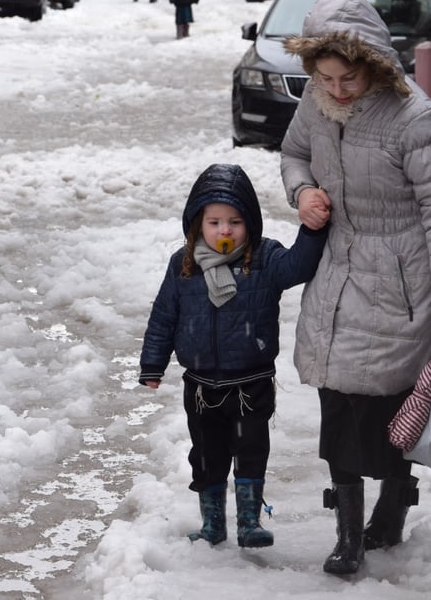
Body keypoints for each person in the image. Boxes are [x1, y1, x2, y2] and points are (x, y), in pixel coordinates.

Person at [278, 0, 431, 576]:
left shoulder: (413, 116)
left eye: (349, 78)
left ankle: (390, 507)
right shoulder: (316, 102)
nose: (337, 90)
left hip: (397, 280)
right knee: (335, 399)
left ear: (375, 65)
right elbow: (293, 155)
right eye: (326, 78)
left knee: (389, 409)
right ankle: (347, 535)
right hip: (336, 272)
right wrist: (302, 192)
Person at [139, 163, 328, 549]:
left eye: (235, 221)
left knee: (251, 451)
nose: (225, 231)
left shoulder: (263, 259)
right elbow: (164, 315)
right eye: (214, 222)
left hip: (250, 384)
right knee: (207, 457)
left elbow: (300, 266)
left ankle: (248, 523)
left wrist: (312, 229)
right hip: (201, 387)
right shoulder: (183, 265)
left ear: (250, 224)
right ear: (197, 225)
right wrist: (152, 364)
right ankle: (212, 524)